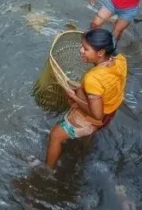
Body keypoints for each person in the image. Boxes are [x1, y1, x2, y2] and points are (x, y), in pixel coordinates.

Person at [46, 29, 127, 168]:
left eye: (86, 49)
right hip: (111, 110)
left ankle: (46, 170)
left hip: (93, 118)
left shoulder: (92, 78)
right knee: (89, 132)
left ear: (100, 53)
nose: (81, 50)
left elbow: (96, 114)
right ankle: (85, 145)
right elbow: (108, 85)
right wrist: (80, 89)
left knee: (55, 135)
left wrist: (74, 97)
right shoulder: (120, 60)